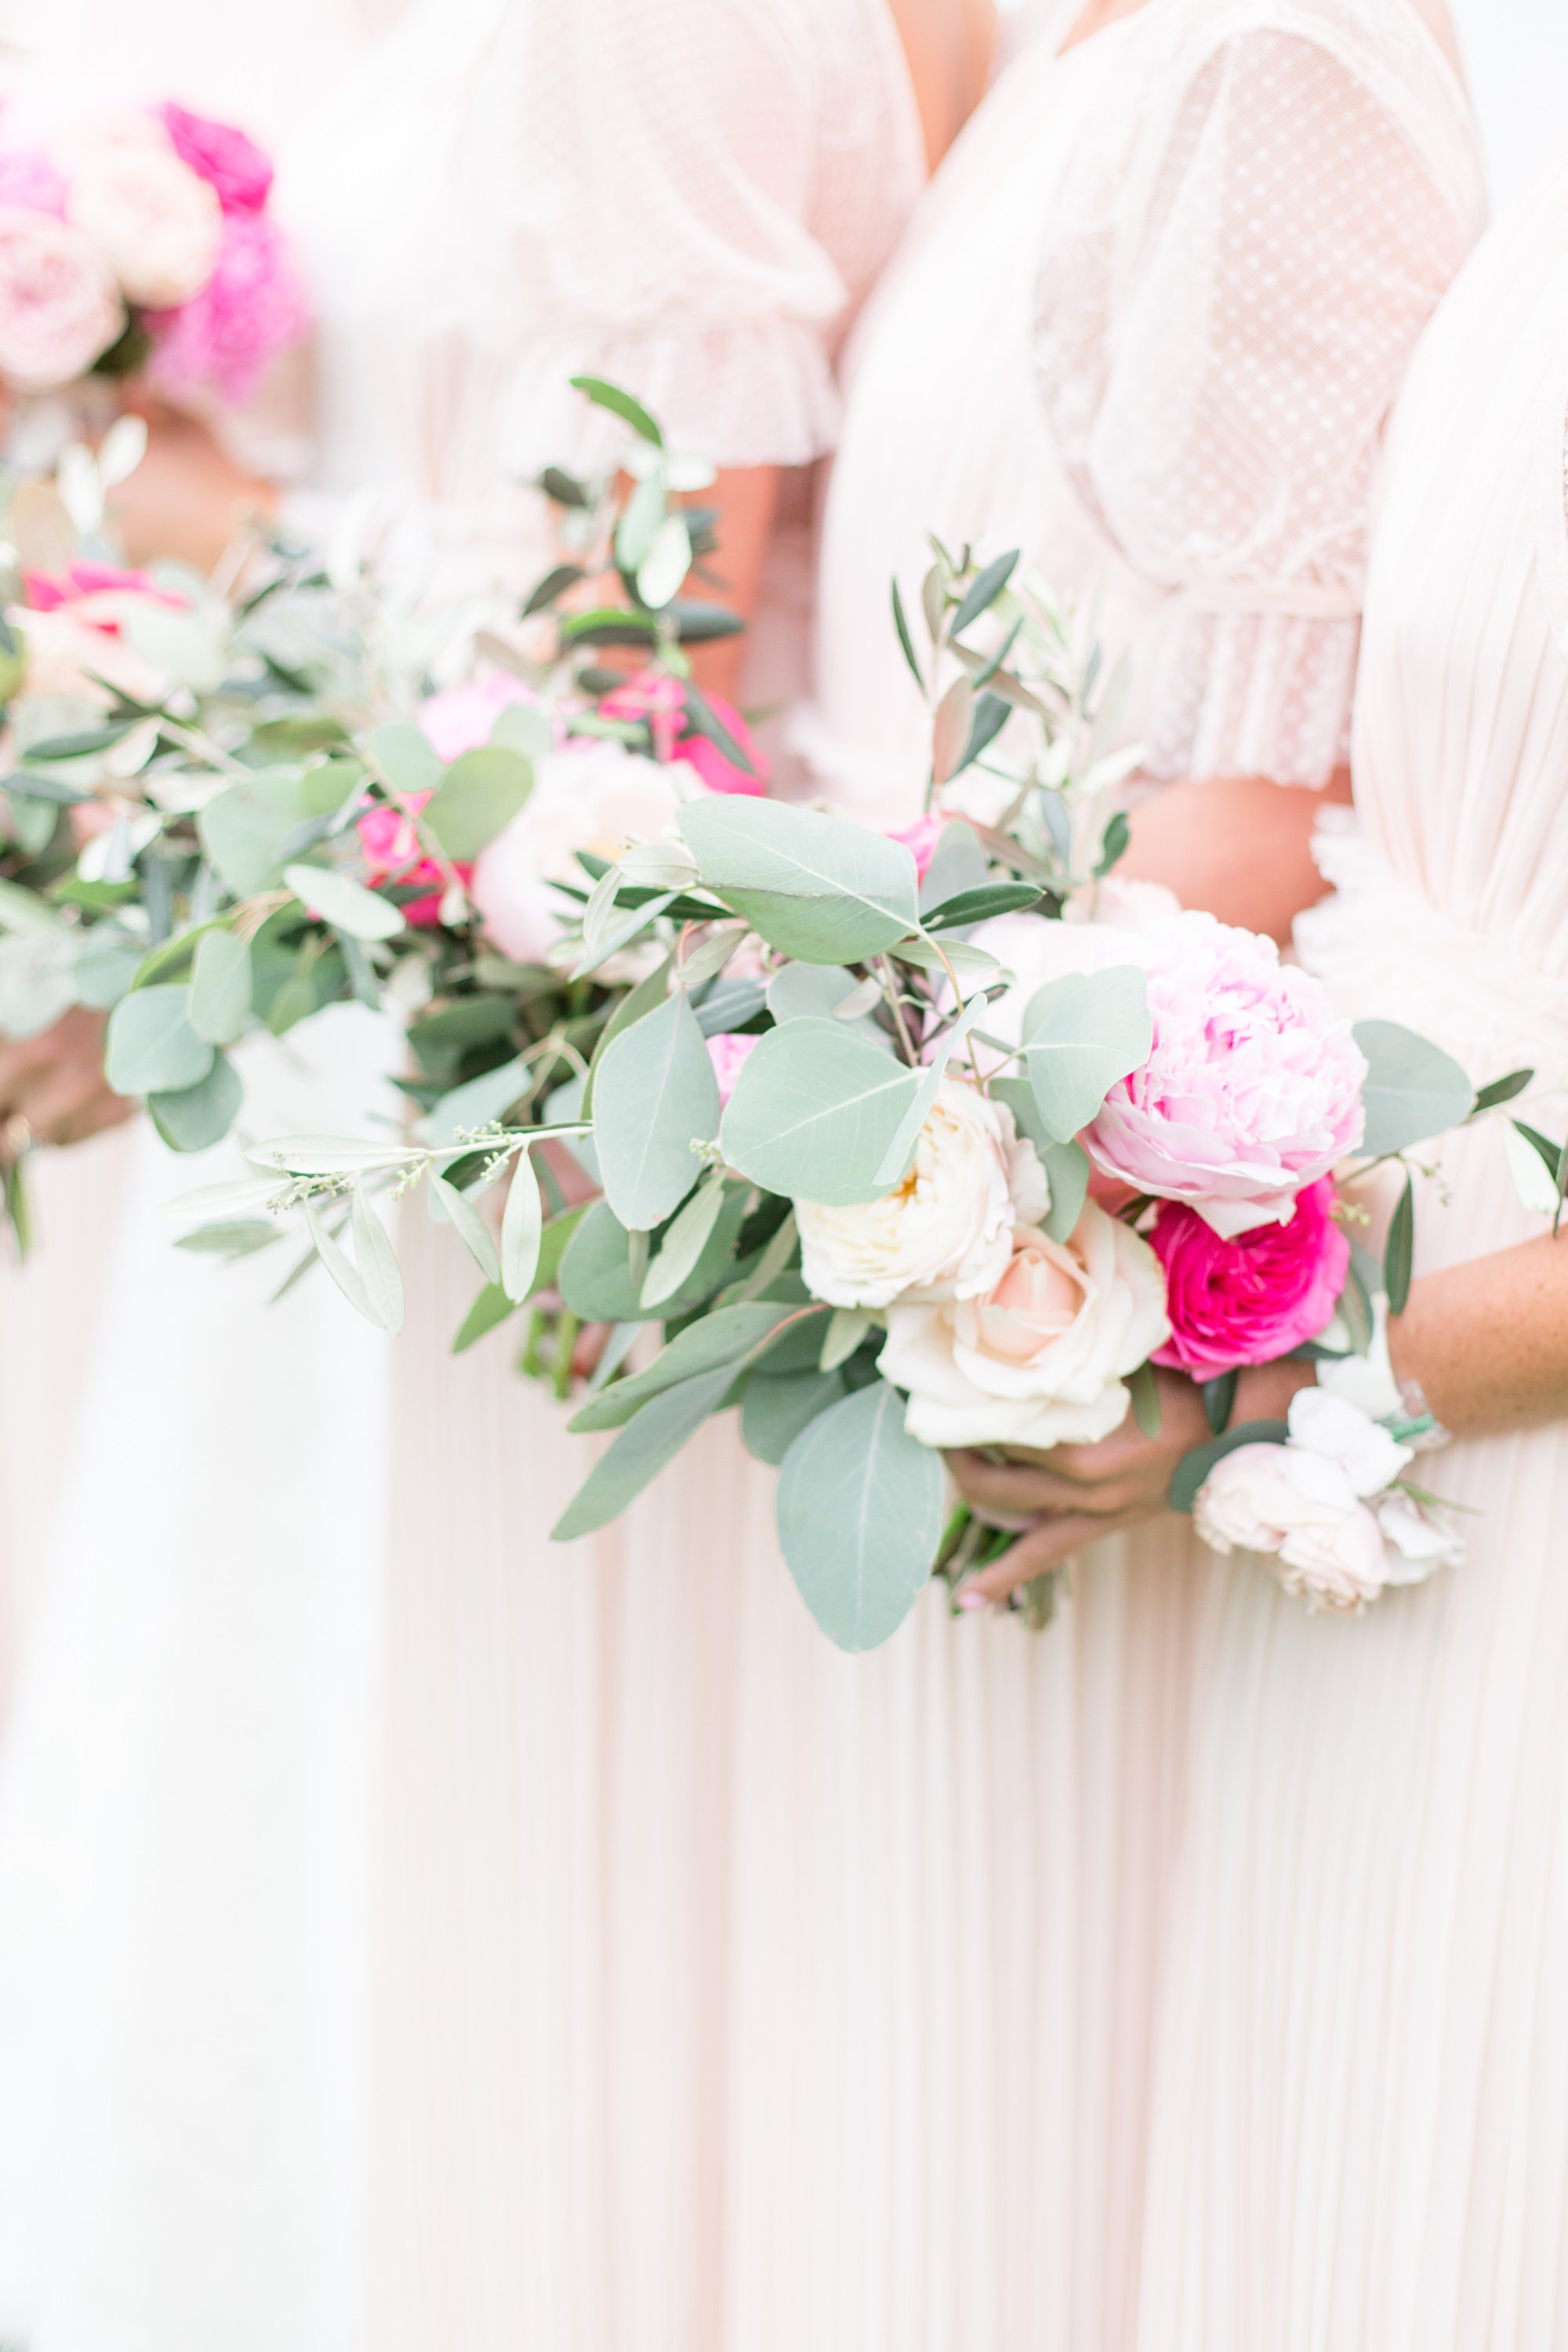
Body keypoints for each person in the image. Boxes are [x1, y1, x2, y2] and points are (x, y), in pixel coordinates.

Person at [0, 2, 949, 2346]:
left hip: (470, 1007)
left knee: (396, 1812)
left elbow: (655, 667)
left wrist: (211, 537)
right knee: (242, 1751)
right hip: (345, 975)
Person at [763, 1, 1483, 2343]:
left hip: (1385, 1301)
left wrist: (1314, 1369)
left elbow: (1262, 787)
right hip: (1275, 1267)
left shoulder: (1295, 58)